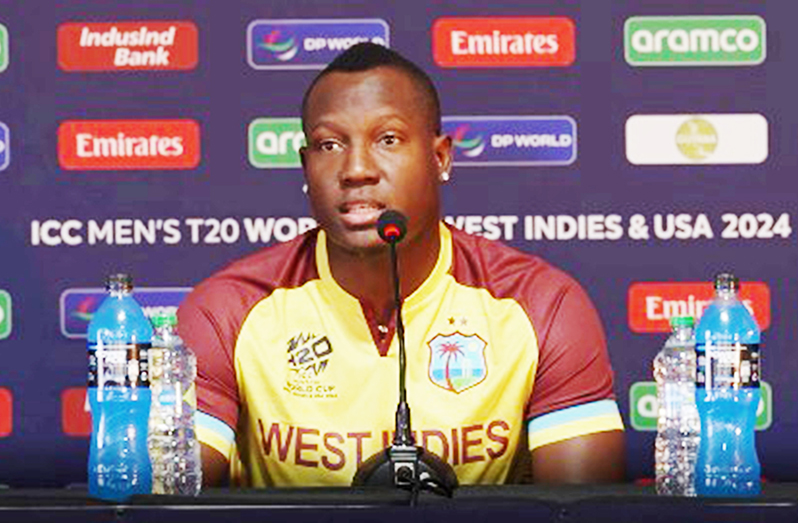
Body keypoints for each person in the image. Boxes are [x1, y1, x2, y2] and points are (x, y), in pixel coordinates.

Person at [178, 42, 625, 488]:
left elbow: (577, 510)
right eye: (329, 144)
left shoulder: (542, 306)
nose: (355, 169)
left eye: (387, 139)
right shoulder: (229, 312)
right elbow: (173, 499)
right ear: (305, 165)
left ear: (441, 157)